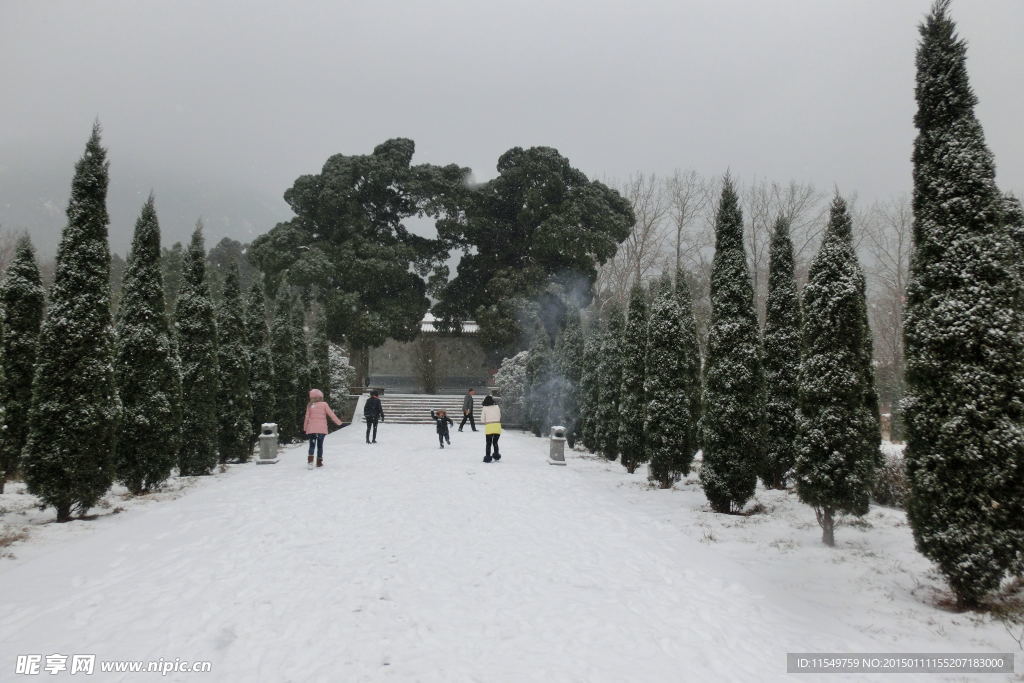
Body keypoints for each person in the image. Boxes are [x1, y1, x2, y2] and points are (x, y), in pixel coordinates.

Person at [303, 388, 343, 468]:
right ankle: (319, 462)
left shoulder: (310, 405)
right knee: (320, 446)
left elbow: (306, 417)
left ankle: (310, 462)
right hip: (321, 429)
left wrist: (305, 427)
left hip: (311, 429)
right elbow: (331, 414)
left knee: (312, 445)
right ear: (320, 397)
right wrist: (339, 423)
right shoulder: (324, 404)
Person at [481, 394, 502, 463]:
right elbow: (500, 416)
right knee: (495, 442)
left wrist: (487, 420)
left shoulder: (485, 408)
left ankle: (487, 457)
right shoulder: (497, 407)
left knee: (488, 443)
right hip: (497, 426)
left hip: (489, 426)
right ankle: (496, 455)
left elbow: (482, 419)